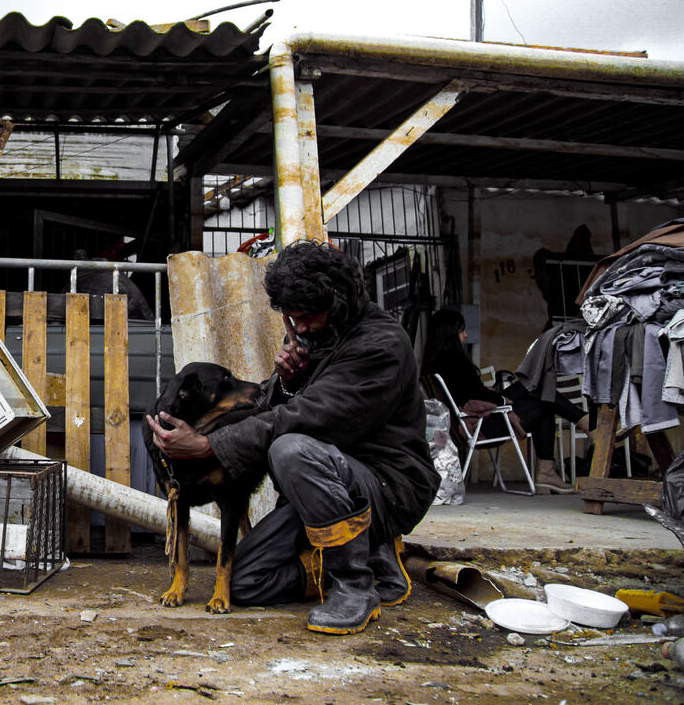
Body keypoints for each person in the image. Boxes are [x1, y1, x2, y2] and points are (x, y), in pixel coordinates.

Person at [148, 240, 439, 635]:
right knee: (245, 583)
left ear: (337, 302)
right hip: (321, 493)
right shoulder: (317, 338)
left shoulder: (381, 346)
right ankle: (371, 560)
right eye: (290, 318)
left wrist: (208, 445)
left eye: (304, 317)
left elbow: (309, 419)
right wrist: (285, 383)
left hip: (386, 484)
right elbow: (273, 408)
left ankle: (354, 585)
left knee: (291, 448)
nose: (297, 328)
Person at [420, 308, 585, 494]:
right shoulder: (454, 362)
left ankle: (552, 469)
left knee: (538, 392)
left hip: (468, 424)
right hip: (481, 427)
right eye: (461, 331)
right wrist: (500, 397)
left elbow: (469, 394)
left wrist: (496, 395)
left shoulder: (433, 364)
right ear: (449, 334)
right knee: (540, 396)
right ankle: (580, 428)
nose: (465, 335)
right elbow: (477, 396)